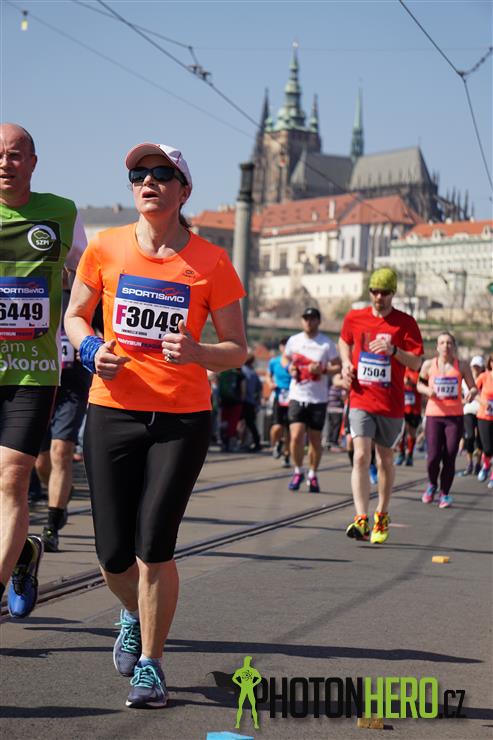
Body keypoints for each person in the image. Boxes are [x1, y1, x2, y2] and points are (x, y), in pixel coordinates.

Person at [65, 141, 247, 709]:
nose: (148, 182)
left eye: (162, 174)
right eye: (139, 174)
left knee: (154, 545)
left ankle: (151, 662)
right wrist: (91, 349)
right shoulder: (106, 247)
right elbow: (74, 316)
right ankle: (131, 611)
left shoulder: (212, 262)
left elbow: (238, 348)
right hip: (111, 409)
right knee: (112, 555)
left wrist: (198, 352)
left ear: (183, 191)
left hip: (181, 419)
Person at [0, 123, 86, 617]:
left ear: (33, 163)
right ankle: (22, 554)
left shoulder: (62, 213)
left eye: (15, 154)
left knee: (12, 479)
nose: (5, 163)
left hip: (32, 373)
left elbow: (94, 274)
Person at [339, 267, 423, 543]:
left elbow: (417, 362)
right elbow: (343, 340)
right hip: (361, 397)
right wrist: (346, 363)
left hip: (390, 403)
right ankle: (361, 517)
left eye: (384, 293)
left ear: (393, 293)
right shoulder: (355, 317)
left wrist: (394, 350)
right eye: (375, 292)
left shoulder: (405, 323)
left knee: (385, 459)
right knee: (361, 456)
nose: (379, 297)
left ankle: (382, 513)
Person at [36, 285, 92, 552]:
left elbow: (104, 328)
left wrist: (93, 342)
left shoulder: (82, 295)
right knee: (40, 462)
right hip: (40, 380)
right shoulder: (35, 289)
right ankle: (60, 491)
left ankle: (51, 526)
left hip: (72, 384)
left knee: (61, 451)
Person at [417, 332, 477, 508]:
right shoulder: (429, 365)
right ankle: (432, 484)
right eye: (442, 343)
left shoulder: (462, 366)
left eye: (449, 343)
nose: (446, 346)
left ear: (454, 346)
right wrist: (427, 391)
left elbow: (473, 387)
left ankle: (444, 493)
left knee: (449, 455)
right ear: (437, 347)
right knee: (433, 456)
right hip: (434, 415)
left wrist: (471, 394)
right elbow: (419, 384)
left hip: (454, 417)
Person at [284, 307, 340, 493]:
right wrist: (290, 368)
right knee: (295, 436)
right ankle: (298, 470)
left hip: (318, 399)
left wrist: (322, 370)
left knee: (315, 440)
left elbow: (337, 366)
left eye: (312, 318)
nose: (309, 322)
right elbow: (285, 359)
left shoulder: (326, 344)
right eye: (306, 318)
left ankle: (313, 474)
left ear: (318, 321)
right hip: (297, 395)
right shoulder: (294, 340)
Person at [268, 337, 291, 467]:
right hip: (279, 397)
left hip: (293, 398)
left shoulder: (294, 363)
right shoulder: (274, 362)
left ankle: (287, 456)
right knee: (277, 427)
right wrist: (270, 383)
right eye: (283, 345)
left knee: (290, 430)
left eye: (288, 345)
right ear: (280, 347)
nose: (285, 347)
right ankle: (276, 443)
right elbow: (268, 376)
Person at [459, 355, 484, 476]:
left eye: (478, 366)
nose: (476, 369)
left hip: (482, 412)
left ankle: (478, 464)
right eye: (474, 366)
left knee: (480, 439)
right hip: (468, 410)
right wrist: (462, 401)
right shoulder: (465, 380)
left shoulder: (485, 379)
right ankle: (469, 464)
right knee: (469, 437)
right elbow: (459, 394)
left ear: (482, 367)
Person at [395, 367, 422, 466]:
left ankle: (410, 455)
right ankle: (401, 454)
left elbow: (422, 386)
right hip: (402, 408)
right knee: (401, 432)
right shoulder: (401, 370)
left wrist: (413, 383)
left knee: (412, 433)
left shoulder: (418, 373)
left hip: (414, 409)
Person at [475, 353, 493, 488]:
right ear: (490, 363)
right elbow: (473, 391)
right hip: (484, 417)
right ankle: (486, 465)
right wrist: (482, 402)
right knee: (487, 448)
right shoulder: (484, 377)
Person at [218, 366, 245, 452]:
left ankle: (223, 443)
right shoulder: (240, 375)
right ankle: (230, 444)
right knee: (233, 423)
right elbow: (243, 390)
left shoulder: (223, 372)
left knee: (224, 422)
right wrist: (242, 400)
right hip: (236, 402)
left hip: (224, 401)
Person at [240, 351, 262, 452]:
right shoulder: (253, 373)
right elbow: (259, 388)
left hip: (243, 400)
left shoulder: (242, 370)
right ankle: (255, 442)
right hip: (251, 402)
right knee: (250, 424)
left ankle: (241, 442)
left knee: (242, 423)